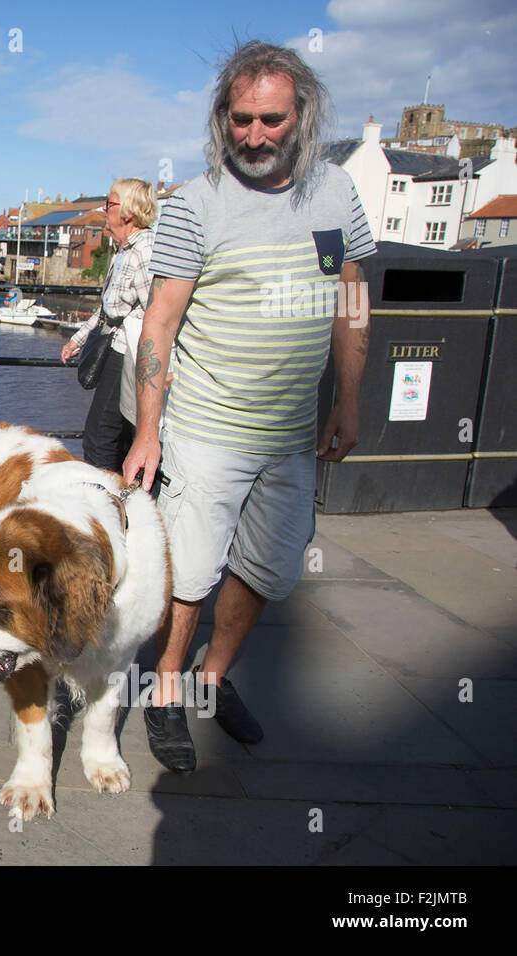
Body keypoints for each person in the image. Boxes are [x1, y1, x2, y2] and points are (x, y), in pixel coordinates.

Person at [123, 41, 376, 772]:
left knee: (267, 570)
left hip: (292, 433)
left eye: (271, 119)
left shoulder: (335, 196)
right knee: (191, 571)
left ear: (302, 115)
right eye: (241, 120)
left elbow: (350, 302)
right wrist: (148, 430)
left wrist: (348, 405)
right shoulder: (196, 207)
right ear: (220, 118)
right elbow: (159, 326)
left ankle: (211, 679)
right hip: (206, 429)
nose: (256, 135)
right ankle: (165, 687)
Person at [61, 178, 157, 472]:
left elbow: (159, 313)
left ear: (128, 211)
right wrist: (77, 339)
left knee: (101, 437)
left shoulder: (144, 251)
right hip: (118, 348)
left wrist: (163, 364)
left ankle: (106, 503)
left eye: (109, 204)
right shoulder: (124, 251)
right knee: (110, 436)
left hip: (130, 354)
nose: (104, 210)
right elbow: (107, 310)